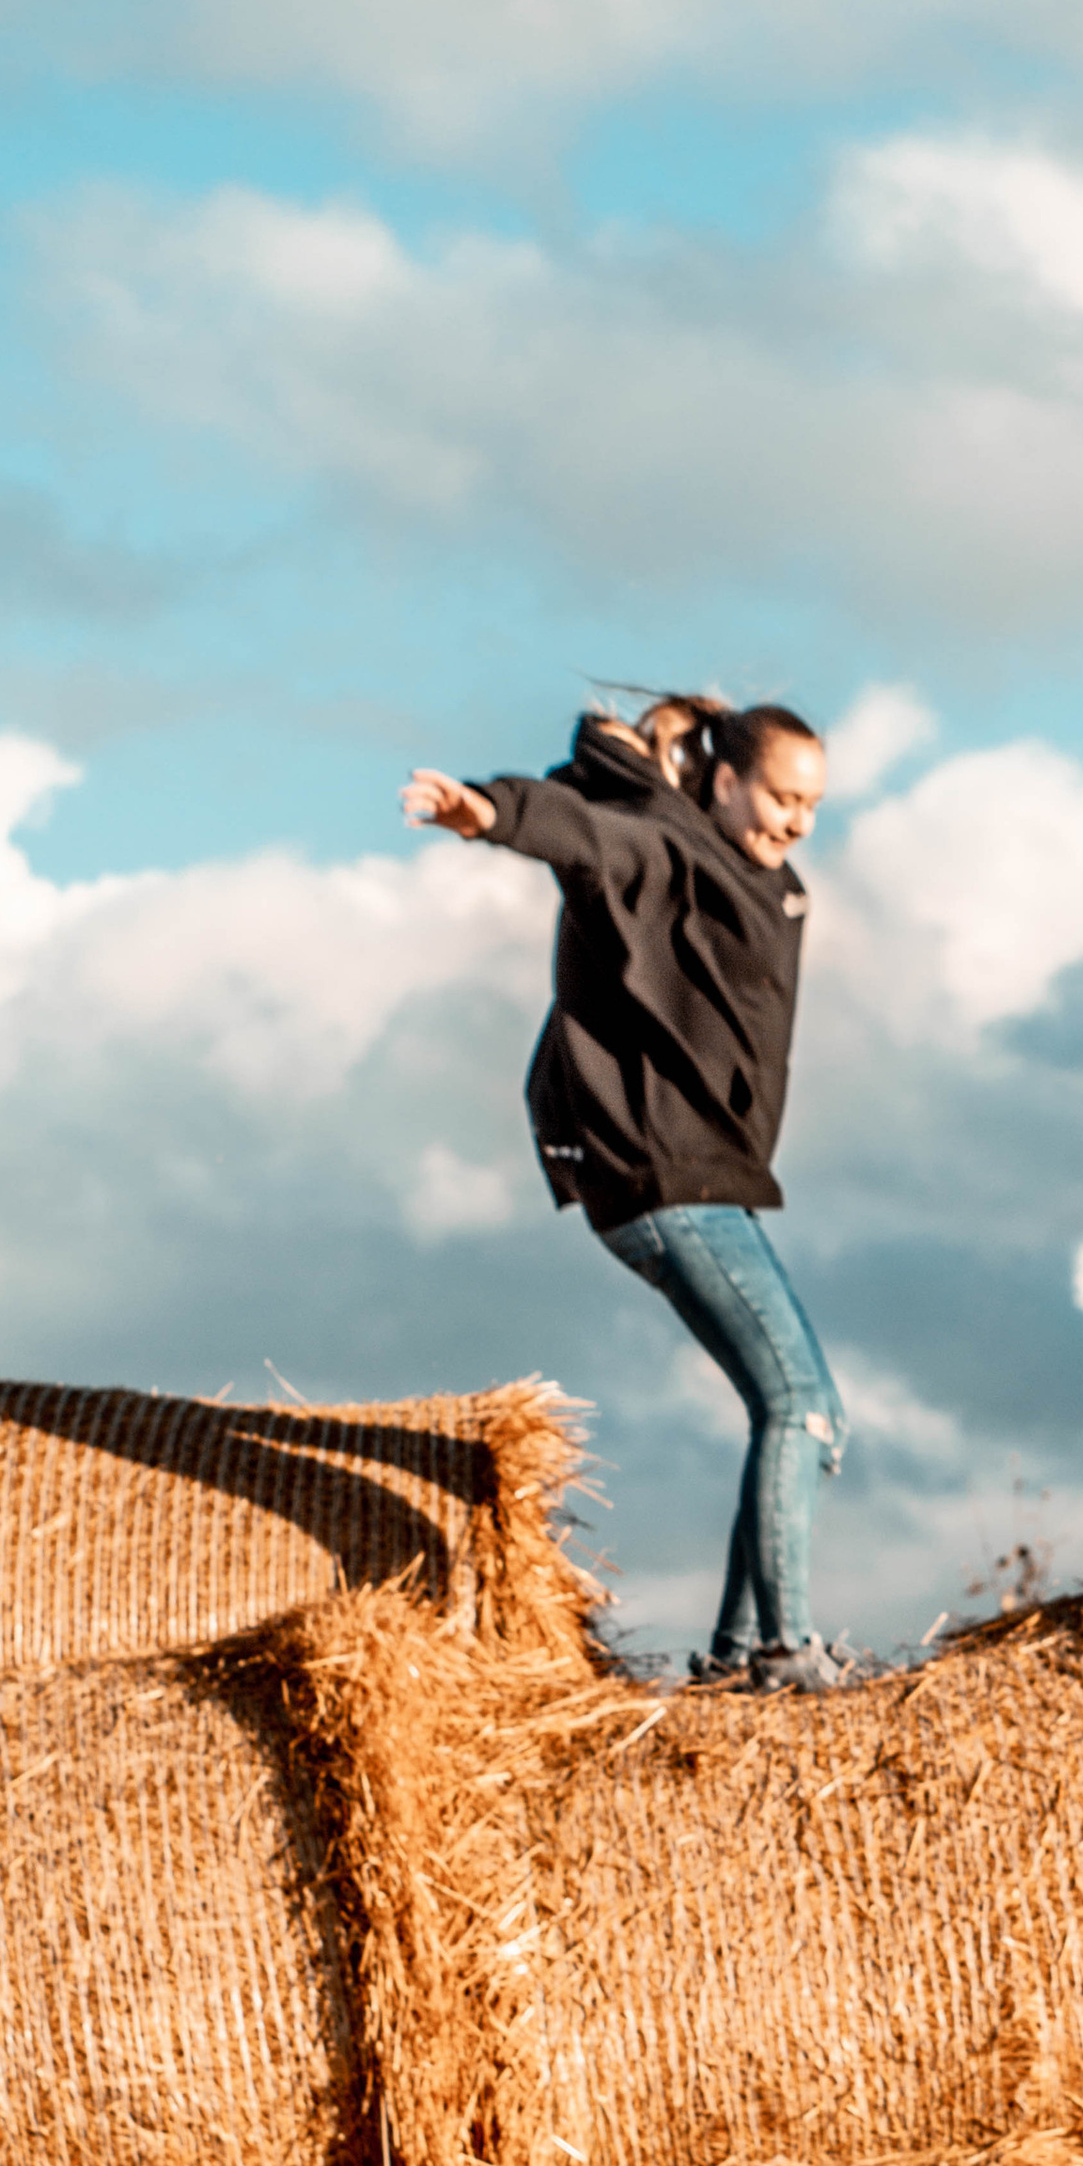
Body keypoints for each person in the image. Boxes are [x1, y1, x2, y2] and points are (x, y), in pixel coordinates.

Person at [401, 695, 852, 1691]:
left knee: (810, 1421)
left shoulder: (749, 878)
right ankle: (780, 1647)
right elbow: (590, 838)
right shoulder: (667, 852)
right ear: (722, 780)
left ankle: (740, 1658)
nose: (797, 822)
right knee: (801, 1409)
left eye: (812, 805)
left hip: (707, 1184)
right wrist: (487, 812)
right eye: (781, 796)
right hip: (668, 1181)